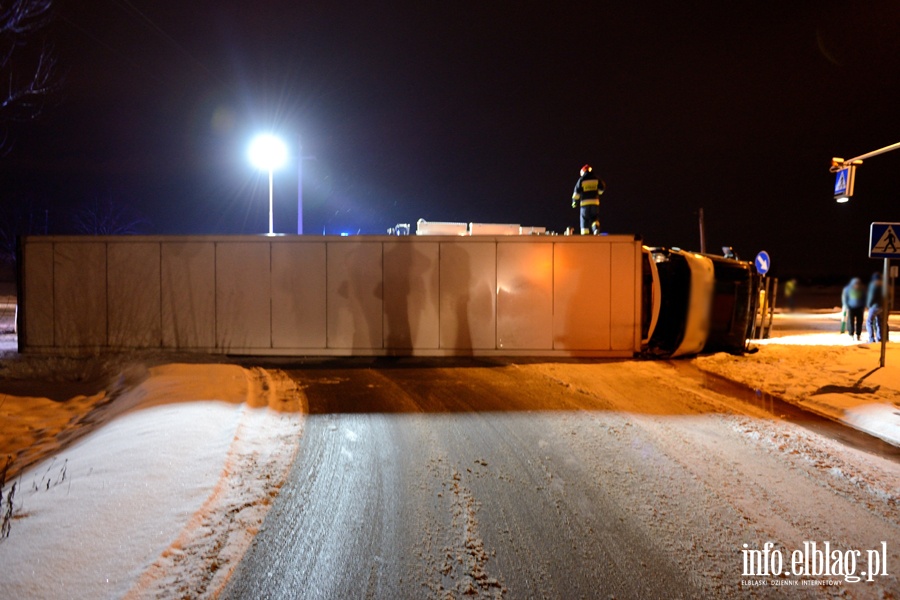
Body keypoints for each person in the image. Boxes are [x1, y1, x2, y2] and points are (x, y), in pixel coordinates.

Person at [571, 164, 606, 235]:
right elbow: (602, 188)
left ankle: (585, 234)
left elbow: (576, 193)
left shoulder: (581, 180)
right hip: (595, 203)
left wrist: (574, 202)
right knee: (594, 218)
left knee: (584, 218)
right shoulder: (596, 178)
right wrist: (598, 193)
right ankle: (596, 229)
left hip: (585, 203)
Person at [866, 272, 884, 343]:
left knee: (869, 322)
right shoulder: (883, 286)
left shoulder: (873, 285)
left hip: (874, 306)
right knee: (879, 322)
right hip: (881, 307)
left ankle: (871, 339)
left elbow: (871, 297)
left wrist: (868, 305)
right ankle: (879, 338)